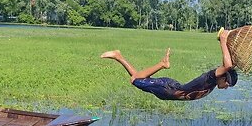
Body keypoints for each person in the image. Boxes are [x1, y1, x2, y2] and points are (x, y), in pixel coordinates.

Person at [100, 29, 237, 100]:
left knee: (138, 79)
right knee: (135, 80)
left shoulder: (214, 82)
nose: (226, 87)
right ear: (222, 77)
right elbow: (228, 66)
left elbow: (229, 64)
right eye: (228, 84)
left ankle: (118, 56)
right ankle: (161, 64)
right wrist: (223, 40)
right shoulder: (211, 77)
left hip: (170, 90)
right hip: (166, 88)